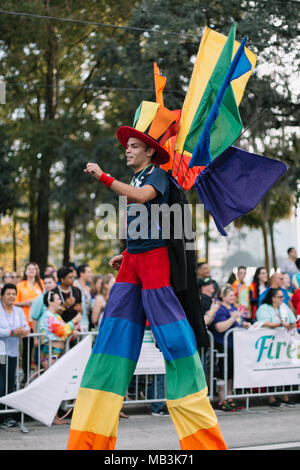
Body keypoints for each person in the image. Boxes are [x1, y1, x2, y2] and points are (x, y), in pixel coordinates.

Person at [67, 101, 227, 450]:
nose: (127, 149)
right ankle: (91, 439)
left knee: (174, 339)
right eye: (127, 146)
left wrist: (104, 177)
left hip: (155, 263)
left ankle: (201, 434)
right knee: (113, 331)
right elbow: (144, 222)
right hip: (134, 261)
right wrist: (124, 254)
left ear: (150, 152)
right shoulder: (140, 174)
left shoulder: (155, 176)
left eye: (134, 146)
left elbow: (141, 199)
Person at [40, 290, 81, 424]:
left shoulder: (54, 316)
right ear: (50, 301)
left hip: (56, 353)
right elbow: (62, 331)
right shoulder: (48, 316)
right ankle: (52, 416)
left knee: (54, 385)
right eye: (57, 299)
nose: (60, 302)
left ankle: (55, 416)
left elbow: (64, 330)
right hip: (50, 354)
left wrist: (72, 330)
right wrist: (74, 321)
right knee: (52, 386)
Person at [210, 285, 251, 412]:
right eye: (230, 295)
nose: (233, 297)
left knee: (231, 373)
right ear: (223, 296)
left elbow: (237, 322)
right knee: (222, 373)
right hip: (222, 345)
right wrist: (233, 317)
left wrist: (244, 323)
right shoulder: (220, 309)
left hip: (234, 345)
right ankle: (222, 400)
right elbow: (220, 327)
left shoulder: (234, 308)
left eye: (234, 295)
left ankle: (230, 398)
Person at [256, 288, 297, 407]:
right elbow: (263, 322)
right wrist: (280, 324)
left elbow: (292, 319)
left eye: (282, 297)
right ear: (273, 298)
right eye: (280, 297)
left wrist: (292, 324)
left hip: (284, 343)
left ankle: (285, 395)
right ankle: (271, 397)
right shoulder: (264, 308)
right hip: (270, 344)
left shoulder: (284, 307)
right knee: (270, 369)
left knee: (284, 368)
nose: (282, 299)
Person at [0, 283, 30, 426]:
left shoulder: (18, 311)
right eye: (8, 294)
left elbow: (27, 326)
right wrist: (12, 332)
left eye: (13, 294)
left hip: (12, 352)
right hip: (1, 353)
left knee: (10, 383)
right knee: (1, 383)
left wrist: (25, 331)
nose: (11, 296)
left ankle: (8, 416)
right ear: (2, 296)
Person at [15, 263, 44, 385]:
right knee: (27, 349)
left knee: (39, 348)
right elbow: (14, 302)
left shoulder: (41, 284)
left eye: (33, 269)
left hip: (39, 322)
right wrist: (26, 303)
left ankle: (39, 373)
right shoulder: (20, 285)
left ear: (37, 271)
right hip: (25, 321)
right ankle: (26, 374)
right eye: (29, 269)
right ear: (25, 271)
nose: (31, 271)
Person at [30, 274, 57, 350]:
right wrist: (35, 338)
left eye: (49, 282)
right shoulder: (39, 300)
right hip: (43, 339)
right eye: (45, 283)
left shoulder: (58, 298)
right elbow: (34, 319)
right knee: (41, 361)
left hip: (56, 338)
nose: (47, 285)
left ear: (55, 283)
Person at [74, 264, 93, 332]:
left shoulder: (88, 288)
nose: (91, 274)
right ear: (81, 274)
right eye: (89, 272)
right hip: (77, 323)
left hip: (86, 322)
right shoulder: (75, 285)